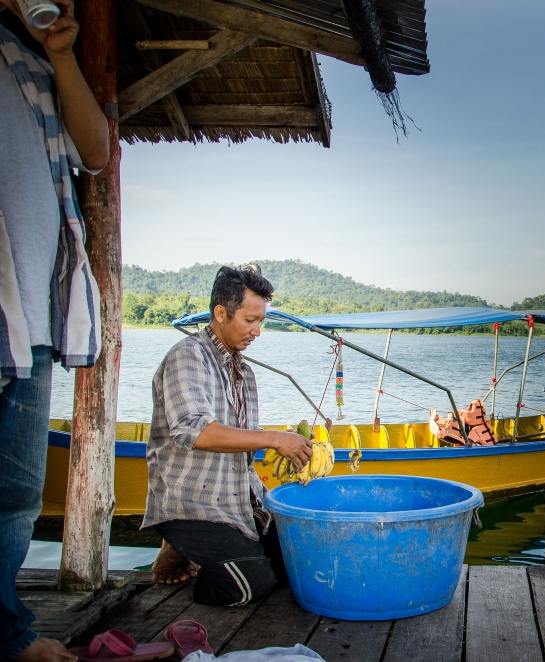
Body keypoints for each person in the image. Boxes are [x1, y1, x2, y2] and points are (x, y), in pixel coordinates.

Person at [1, 0, 109, 658]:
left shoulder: (32, 60)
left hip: (31, 320)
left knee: (13, 499)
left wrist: (62, 52)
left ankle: (8, 637)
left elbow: (95, 152)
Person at [140, 266, 312, 607]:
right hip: (192, 504)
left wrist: (280, 439)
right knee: (250, 586)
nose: (257, 331)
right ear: (220, 313)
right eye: (250, 320)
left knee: (301, 563)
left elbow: (240, 434)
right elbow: (195, 430)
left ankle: (213, 553)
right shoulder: (187, 356)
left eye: (261, 321)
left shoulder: (243, 371)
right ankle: (181, 547)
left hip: (239, 502)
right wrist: (273, 439)